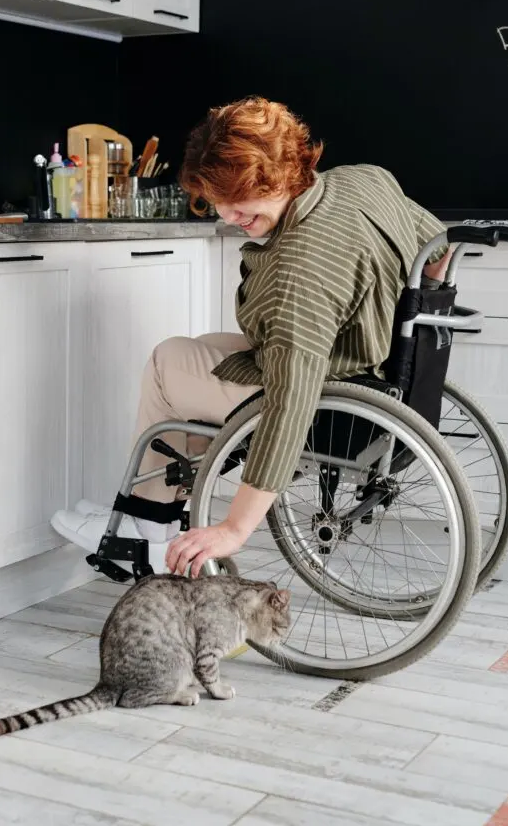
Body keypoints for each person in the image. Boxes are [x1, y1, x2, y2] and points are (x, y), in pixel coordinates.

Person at [51, 96, 449, 578]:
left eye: (236, 197)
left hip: (331, 399)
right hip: (383, 371)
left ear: (276, 176)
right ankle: (146, 514)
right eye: (217, 198)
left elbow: (290, 403)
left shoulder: (298, 272)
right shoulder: (366, 179)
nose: (225, 213)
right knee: (193, 350)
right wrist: (398, 322)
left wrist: (234, 529)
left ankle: (149, 530)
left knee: (166, 366)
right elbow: (436, 247)